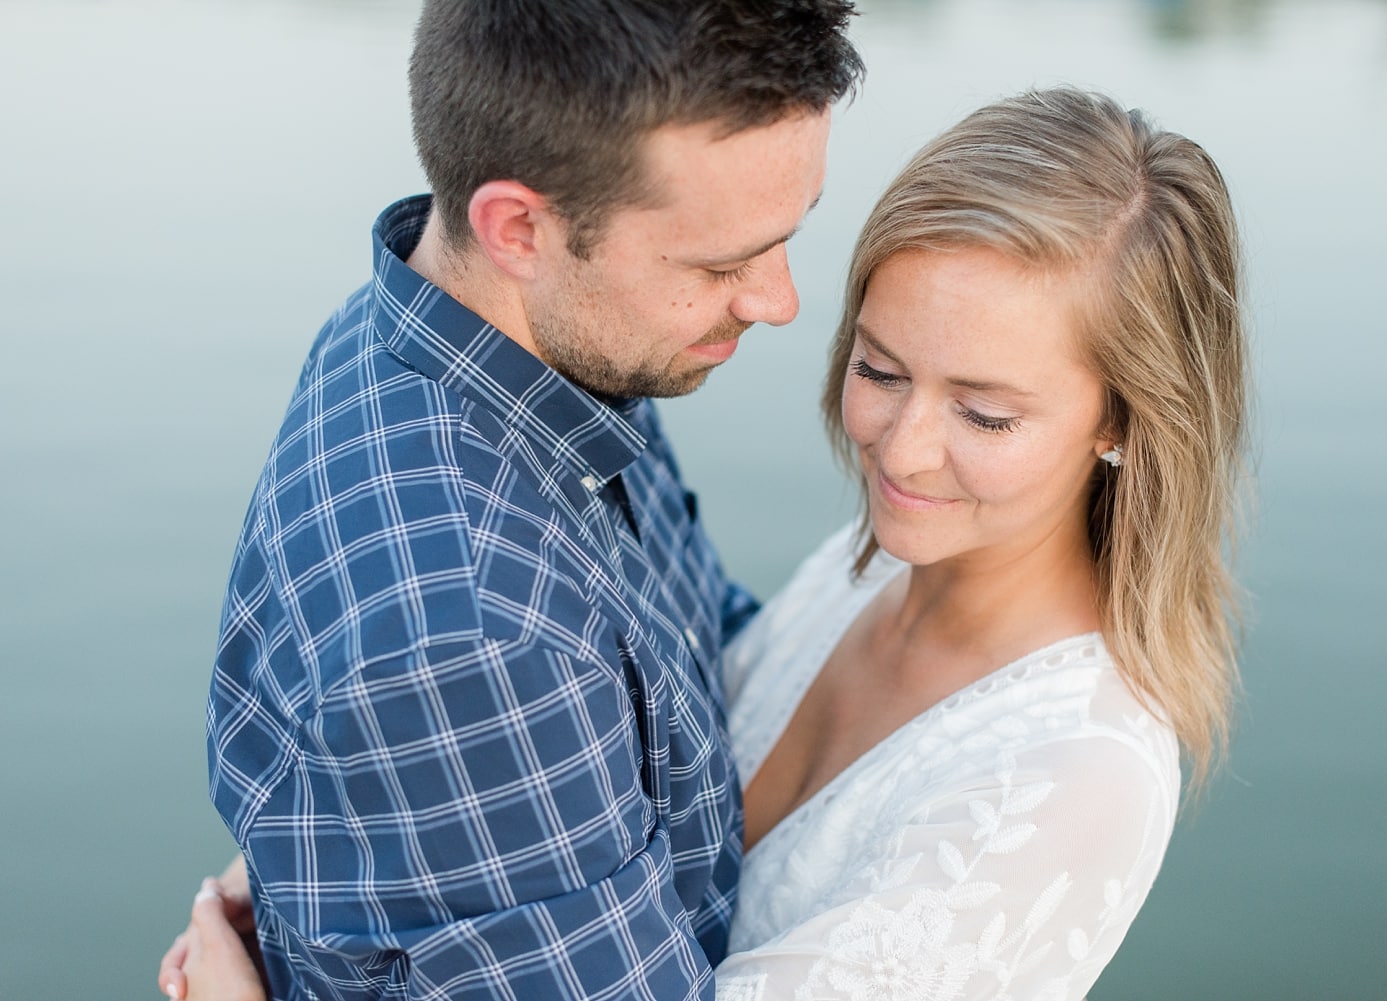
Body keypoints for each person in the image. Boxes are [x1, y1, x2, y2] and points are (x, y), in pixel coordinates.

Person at [167, 87, 1248, 1001]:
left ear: (1122, 420)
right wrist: (371, 812)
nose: (903, 451)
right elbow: (684, 695)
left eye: (987, 415)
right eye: (878, 369)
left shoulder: (1072, 782)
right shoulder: (888, 561)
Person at [157, 2, 863, 999]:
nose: (777, 299)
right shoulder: (477, 642)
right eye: (720, 263)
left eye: (788, 234)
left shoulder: (504, 347)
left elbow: (697, 653)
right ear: (519, 227)